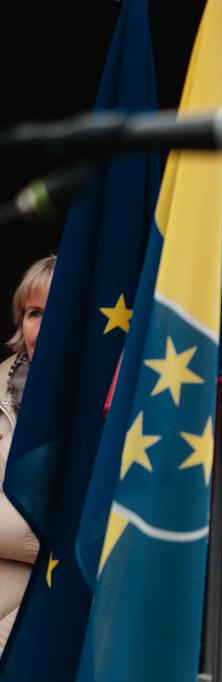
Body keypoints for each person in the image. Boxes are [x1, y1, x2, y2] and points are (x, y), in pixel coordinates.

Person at [0, 255, 54, 653]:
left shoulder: (119, 403)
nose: (47, 326)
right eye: (35, 313)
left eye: (63, 310)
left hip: (52, 607)